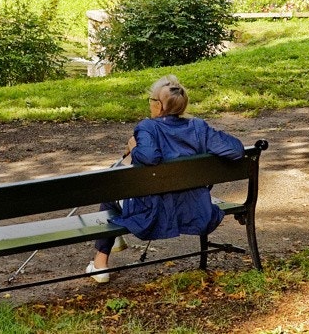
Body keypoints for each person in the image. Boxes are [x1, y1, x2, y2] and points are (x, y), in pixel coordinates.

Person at [88, 75, 245, 283]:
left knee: (111, 192)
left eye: (152, 100)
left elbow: (150, 157)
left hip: (155, 212)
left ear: (159, 107)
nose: (150, 104)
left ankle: (100, 264)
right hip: (194, 208)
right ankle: (111, 246)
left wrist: (134, 146)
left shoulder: (148, 127)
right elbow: (236, 150)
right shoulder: (198, 126)